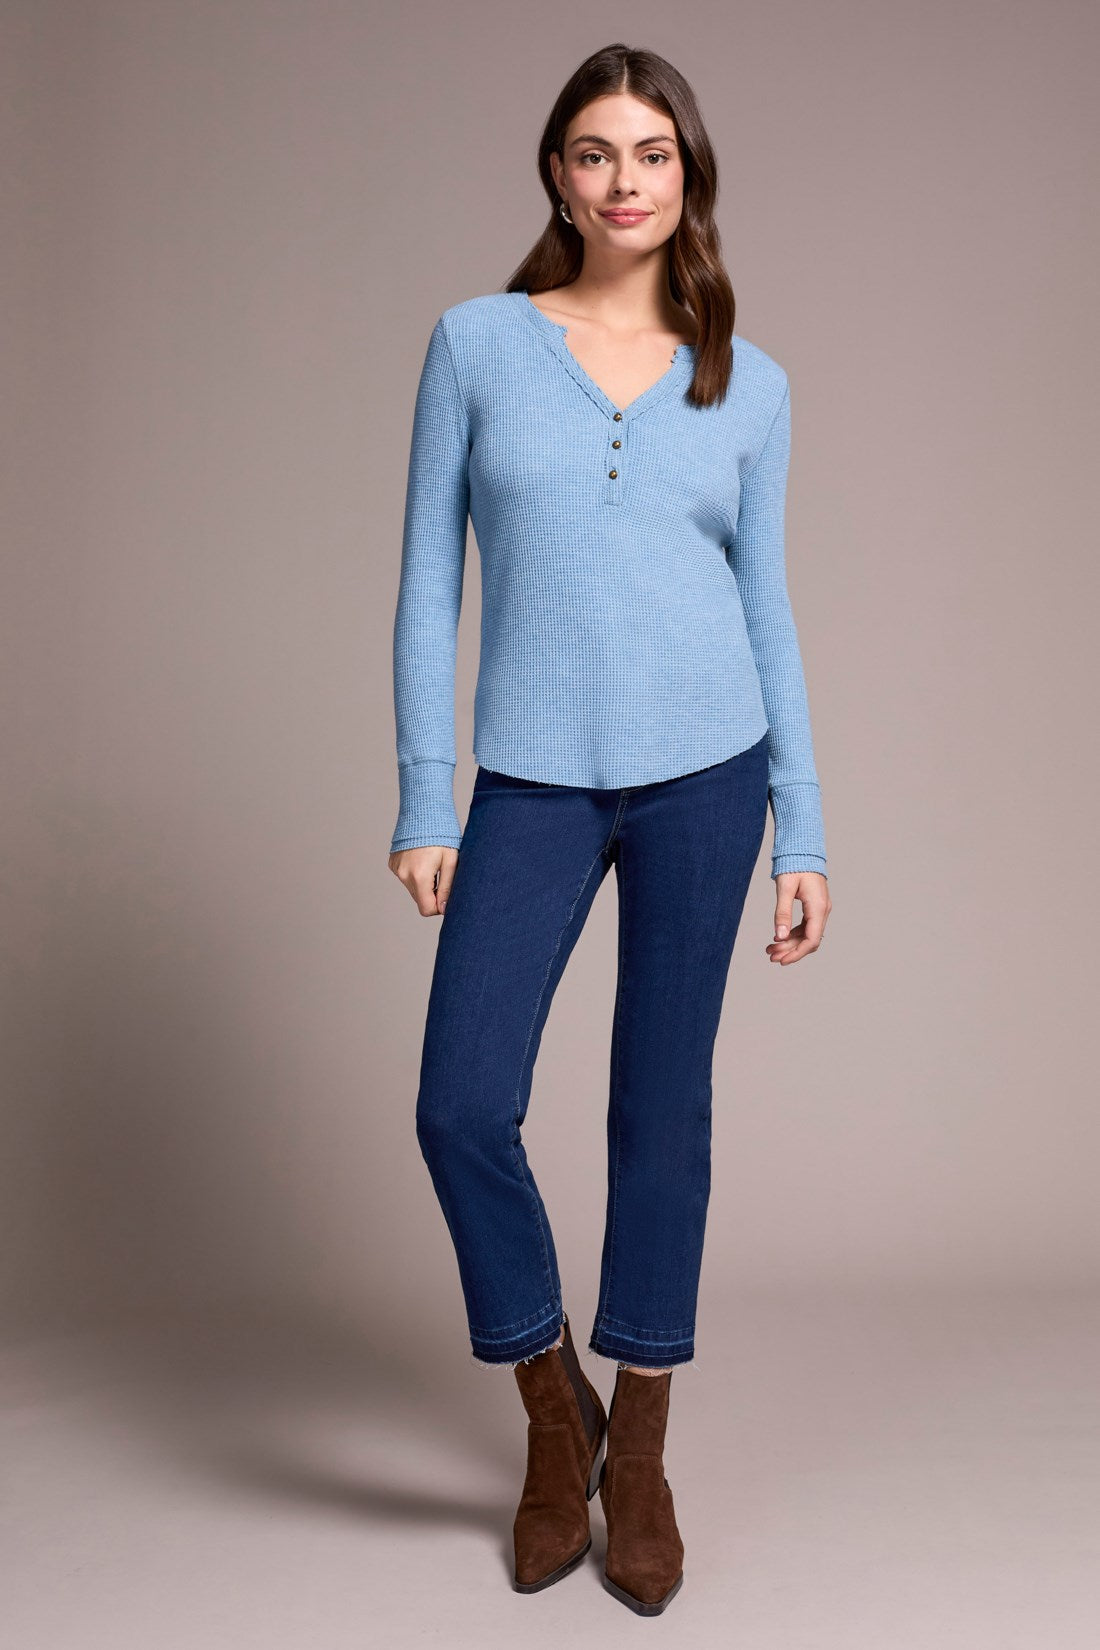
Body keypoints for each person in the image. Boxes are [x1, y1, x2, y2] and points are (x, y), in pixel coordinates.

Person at [386, 41, 832, 1615]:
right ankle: (548, 1403)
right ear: (558, 176)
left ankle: (636, 1448)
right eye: (595, 151)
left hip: (711, 773)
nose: (624, 179)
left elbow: (766, 608)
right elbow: (425, 582)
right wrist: (425, 790)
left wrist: (803, 826)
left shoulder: (747, 381)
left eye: (652, 153)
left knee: (661, 1111)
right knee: (461, 1103)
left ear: (687, 177)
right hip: (531, 777)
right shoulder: (476, 344)